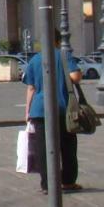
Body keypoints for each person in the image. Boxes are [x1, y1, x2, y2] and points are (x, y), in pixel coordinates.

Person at [24, 39, 83, 194]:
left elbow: (31, 88)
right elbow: (76, 77)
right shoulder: (64, 56)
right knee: (68, 147)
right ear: (57, 41)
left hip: (39, 109)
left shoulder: (35, 59)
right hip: (62, 108)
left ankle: (47, 184)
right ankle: (68, 181)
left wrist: (27, 111)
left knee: (43, 149)